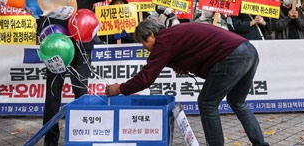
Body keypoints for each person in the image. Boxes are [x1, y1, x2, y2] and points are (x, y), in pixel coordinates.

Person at [105, 20, 269, 146]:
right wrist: (182, 66)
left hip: (232, 56)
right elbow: (198, 51)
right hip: (248, 51)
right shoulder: (173, 34)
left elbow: (147, 77)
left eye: (144, 42)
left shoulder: (164, 41)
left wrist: (120, 88)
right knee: (238, 102)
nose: (145, 47)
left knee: (207, 103)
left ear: (151, 35)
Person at [42, 0, 121, 146]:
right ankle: (50, 141)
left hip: (82, 46)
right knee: (53, 94)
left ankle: (80, 138)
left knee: (81, 92)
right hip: (59, 43)